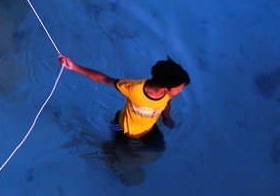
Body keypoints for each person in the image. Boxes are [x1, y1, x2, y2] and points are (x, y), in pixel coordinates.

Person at [58, 54, 190, 141]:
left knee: (157, 148)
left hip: (147, 128)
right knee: (119, 151)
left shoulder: (167, 95)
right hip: (121, 128)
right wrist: (74, 66)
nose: (180, 91)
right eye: (179, 88)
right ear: (166, 86)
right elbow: (104, 79)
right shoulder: (134, 88)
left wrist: (166, 118)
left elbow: (166, 105)